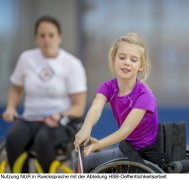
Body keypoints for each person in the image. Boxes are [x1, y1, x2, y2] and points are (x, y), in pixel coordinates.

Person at [2, 15, 87, 173]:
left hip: (61, 122)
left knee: (43, 140)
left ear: (59, 37)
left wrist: (60, 114)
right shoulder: (26, 59)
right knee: (12, 138)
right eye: (42, 35)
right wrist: (11, 107)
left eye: (51, 35)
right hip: (30, 119)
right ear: (36, 38)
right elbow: (16, 88)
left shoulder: (72, 64)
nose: (47, 40)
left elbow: (79, 107)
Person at [74, 32, 158, 172]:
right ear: (113, 60)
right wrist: (86, 129)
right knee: (80, 162)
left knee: (83, 163)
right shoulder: (108, 87)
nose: (127, 62)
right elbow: (96, 107)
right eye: (122, 57)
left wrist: (98, 144)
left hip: (141, 155)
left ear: (141, 66)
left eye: (133, 60)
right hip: (126, 149)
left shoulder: (145, 95)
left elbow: (124, 132)